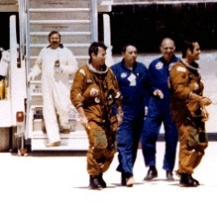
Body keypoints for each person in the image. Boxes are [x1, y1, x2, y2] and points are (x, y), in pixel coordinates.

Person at [72, 42, 120, 189]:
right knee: (98, 143)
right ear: (93, 55)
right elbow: (75, 94)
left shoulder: (108, 73)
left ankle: (100, 173)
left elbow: (116, 93)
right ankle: (93, 176)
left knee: (110, 148)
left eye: (105, 54)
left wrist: (120, 113)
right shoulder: (83, 73)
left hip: (108, 115)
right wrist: (82, 115)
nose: (104, 57)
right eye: (102, 54)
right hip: (92, 115)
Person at [169, 40, 209, 187]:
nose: (199, 52)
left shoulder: (193, 70)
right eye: (196, 49)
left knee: (202, 143)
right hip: (184, 114)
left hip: (196, 114)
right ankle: (185, 174)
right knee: (189, 142)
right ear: (188, 51)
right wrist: (195, 96)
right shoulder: (179, 70)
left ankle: (185, 169)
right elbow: (179, 90)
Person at [28, 31, 78, 146]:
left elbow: (74, 67)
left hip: (61, 84)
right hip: (47, 84)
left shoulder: (66, 52)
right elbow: (38, 65)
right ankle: (54, 138)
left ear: (60, 39)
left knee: (63, 107)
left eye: (56, 38)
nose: (54, 40)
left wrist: (62, 69)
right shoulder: (44, 51)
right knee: (48, 110)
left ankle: (65, 124)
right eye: (52, 38)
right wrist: (32, 74)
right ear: (49, 39)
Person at [141, 37, 180, 181]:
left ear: (174, 48)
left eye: (171, 48)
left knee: (172, 138)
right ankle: (151, 167)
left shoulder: (180, 64)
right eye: (165, 48)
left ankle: (169, 169)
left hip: (173, 107)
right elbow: (148, 85)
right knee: (147, 135)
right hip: (156, 105)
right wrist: (154, 91)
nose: (168, 51)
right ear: (161, 49)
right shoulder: (154, 64)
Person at [112, 44, 150, 186]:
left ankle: (126, 170)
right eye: (130, 52)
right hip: (124, 110)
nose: (133, 55)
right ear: (123, 53)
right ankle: (128, 173)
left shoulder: (142, 69)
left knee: (134, 144)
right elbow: (111, 93)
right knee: (124, 142)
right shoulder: (115, 70)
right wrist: (116, 112)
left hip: (139, 110)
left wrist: (147, 105)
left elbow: (148, 88)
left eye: (135, 52)